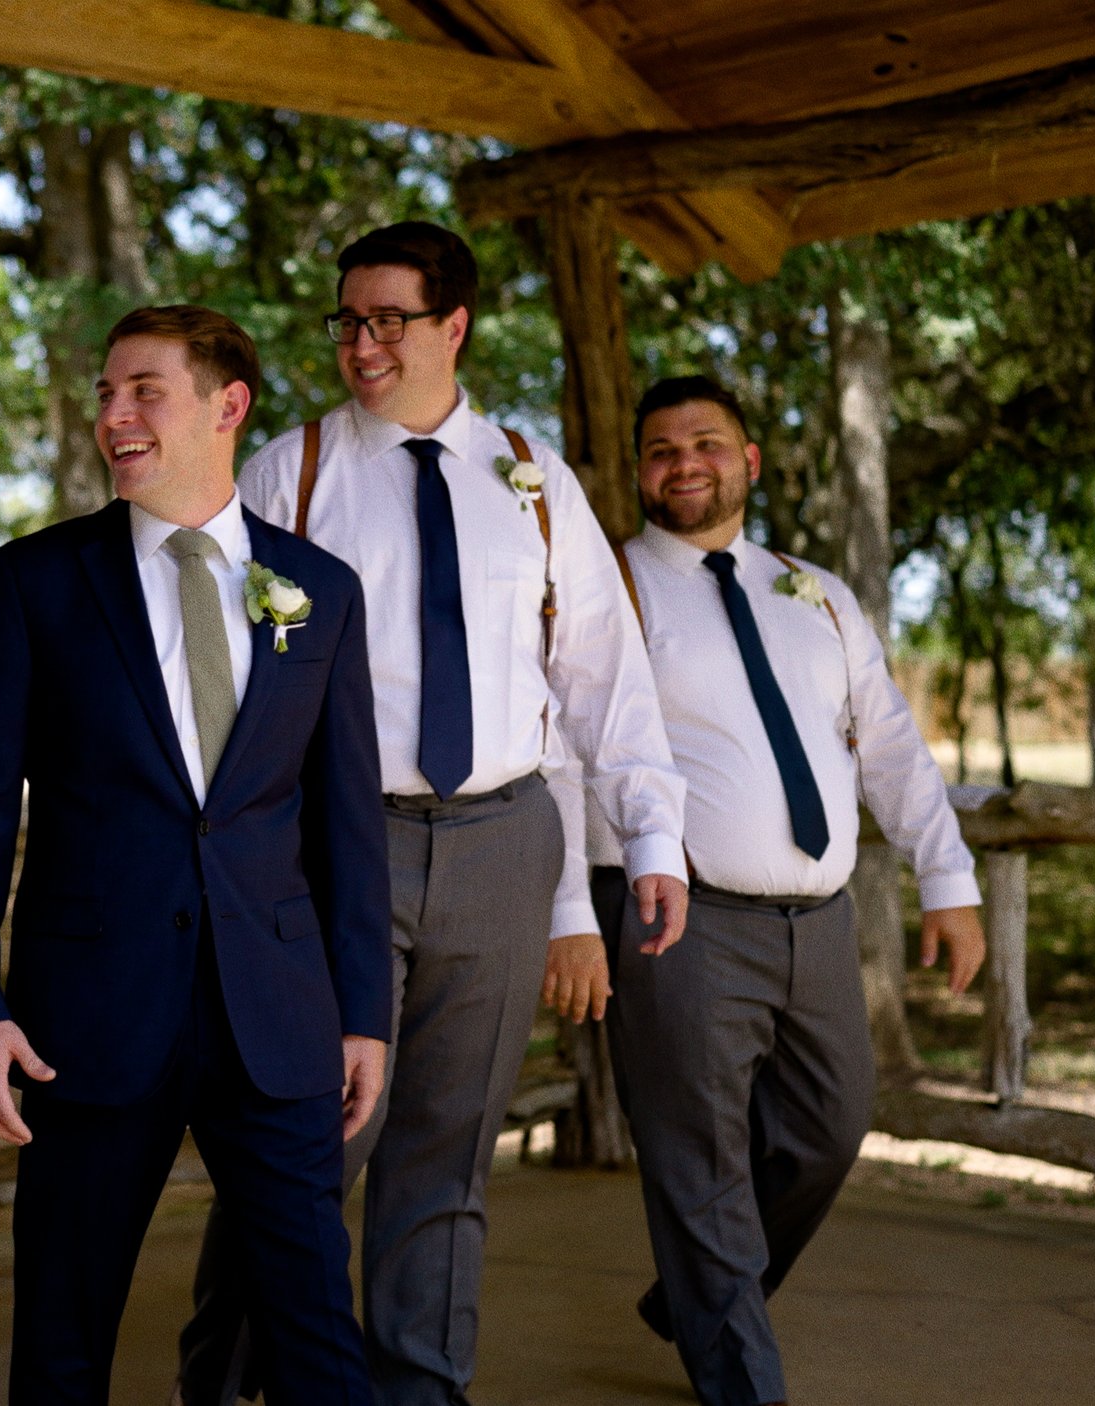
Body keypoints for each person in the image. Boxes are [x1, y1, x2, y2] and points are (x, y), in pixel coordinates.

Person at [180, 221, 688, 1406]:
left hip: (503, 841)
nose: (361, 344)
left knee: (445, 1153)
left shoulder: (531, 473)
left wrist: (648, 835)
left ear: (452, 326)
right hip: (329, 850)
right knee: (307, 1142)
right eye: (347, 320)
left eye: (387, 320)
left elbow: (600, 675)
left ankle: (419, 1388)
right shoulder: (287, 471)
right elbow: (219, 674)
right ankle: (222, 1378)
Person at [0, 304, 391, 1405]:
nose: (115, 415)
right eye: (105, 393)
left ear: (226, 406)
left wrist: (363, 1008)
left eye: (143, 390)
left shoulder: (319, 590)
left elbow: (345, 822)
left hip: (274, 1016)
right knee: (60, 1335)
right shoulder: (33, 580)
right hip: (82, 1017)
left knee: (319, 1330)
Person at [593, 374, 984, 1406]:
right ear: (640, 471)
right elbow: (576, 753)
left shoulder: (813, 590)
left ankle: (693, 1296)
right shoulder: (611, 587)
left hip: (819, 919)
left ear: (748, 461)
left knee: (828, 1125)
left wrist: (947, 874)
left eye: (706, 443)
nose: (685, 464)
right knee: (700, 1154)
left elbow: (889, 742)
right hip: (681, 916)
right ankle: (740, 1379)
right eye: (662, 450)